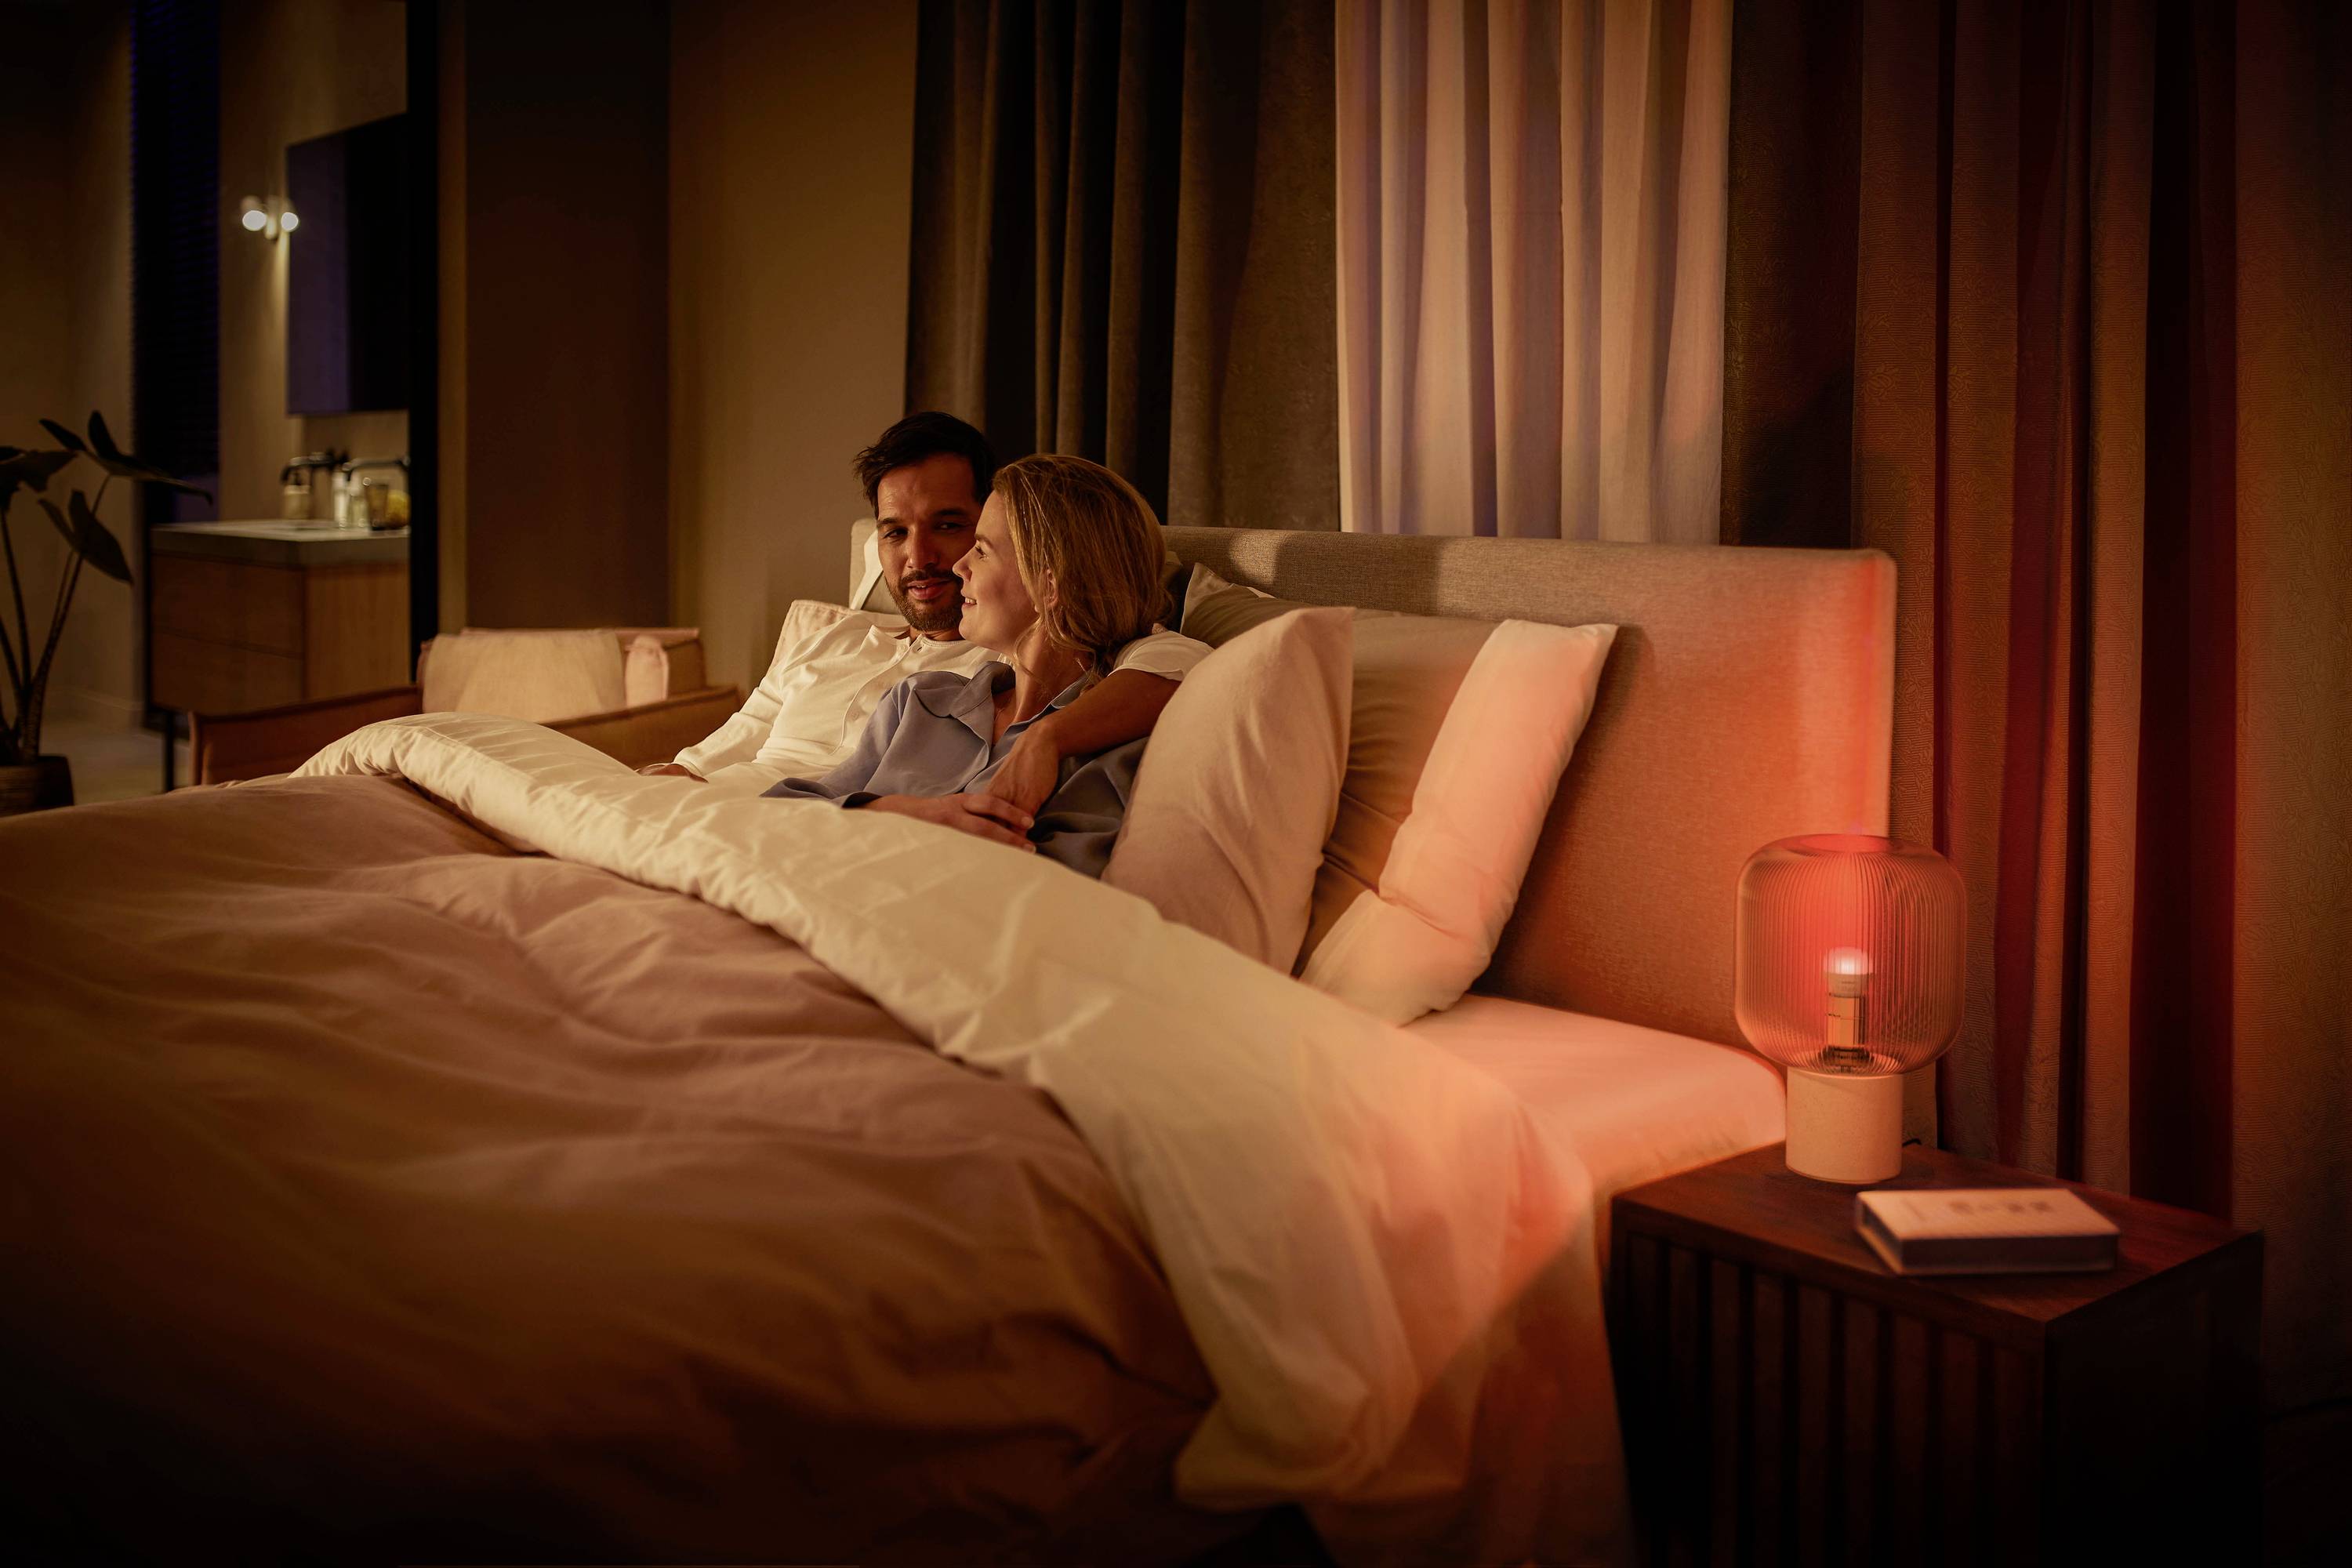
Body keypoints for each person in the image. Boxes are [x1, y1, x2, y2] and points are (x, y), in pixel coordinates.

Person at [645, 413, 1203, 811]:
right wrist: (670, 787)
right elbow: (707, 759)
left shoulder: (1008, 668)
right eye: (895, 532)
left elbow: (1175, 660)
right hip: (719, 823)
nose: (923, 558)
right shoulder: (841, 649)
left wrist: (1047, 737)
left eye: (952, 528)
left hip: (807, 847)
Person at [760, 454, 1171, 877]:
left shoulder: (1117, 748)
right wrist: (901, 814)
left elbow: (1052, 894)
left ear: (1049, 584)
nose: (960, 567)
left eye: (981, 550)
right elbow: (776, 814)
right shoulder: (919, 702)